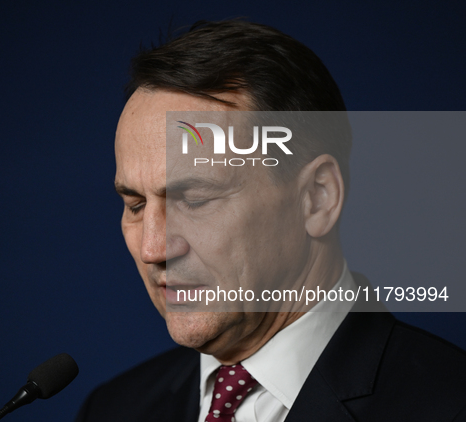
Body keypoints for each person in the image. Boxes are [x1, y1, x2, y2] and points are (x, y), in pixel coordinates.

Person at [75, 20, 466, 422]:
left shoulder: (449, 406)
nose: (152, 248)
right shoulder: (111, 409)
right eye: (136, 205)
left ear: (318, 198)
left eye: (195, 199)